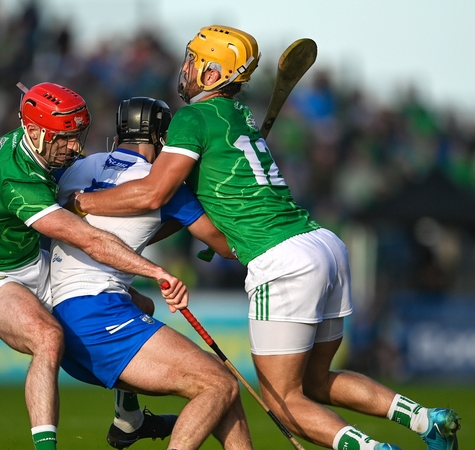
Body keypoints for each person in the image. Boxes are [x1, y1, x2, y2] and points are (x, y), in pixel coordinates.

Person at [71, 26, 461, 450]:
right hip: (324, 245)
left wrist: (79, 204)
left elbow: (153, 193)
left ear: (211, 73)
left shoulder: (193, 118)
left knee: (284, 402)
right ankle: (426, 420)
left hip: (282, 259)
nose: (184, 69)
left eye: (193, 61)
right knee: (315, 381)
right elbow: (219, 219)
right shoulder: (241, 116)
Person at [0, 82, 187, 450]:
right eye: (64, 138)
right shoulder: (21, 183)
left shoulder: (25, 141)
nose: (75, 148)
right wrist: (154, 271)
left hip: (29, 263)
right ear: (34, 132)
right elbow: (91, 241)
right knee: (47, 336)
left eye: (78, 135)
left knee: (139, 305)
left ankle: (129, 421)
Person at [49, 96, 253, 450]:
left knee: (218, 391)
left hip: (60, 322)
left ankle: (128, 420)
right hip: (97, 317)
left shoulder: (75, 169)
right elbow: (224, 246)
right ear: (163, 138)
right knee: (220, 385)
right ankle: (129, 420)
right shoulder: (165, 186)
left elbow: (136, 225)